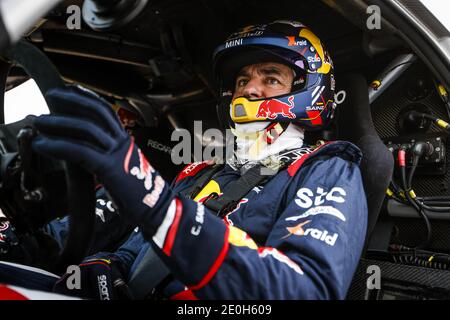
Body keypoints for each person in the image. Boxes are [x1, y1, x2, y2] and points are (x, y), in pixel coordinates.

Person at [29, 20, 367, 300]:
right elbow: (139, 249)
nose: (249, 90)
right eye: (241, 80)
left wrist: (162, 209)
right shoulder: (200, 171)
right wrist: (108, 265)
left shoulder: (327, 169)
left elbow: (306, 292)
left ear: (309, 88)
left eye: (271, 78)